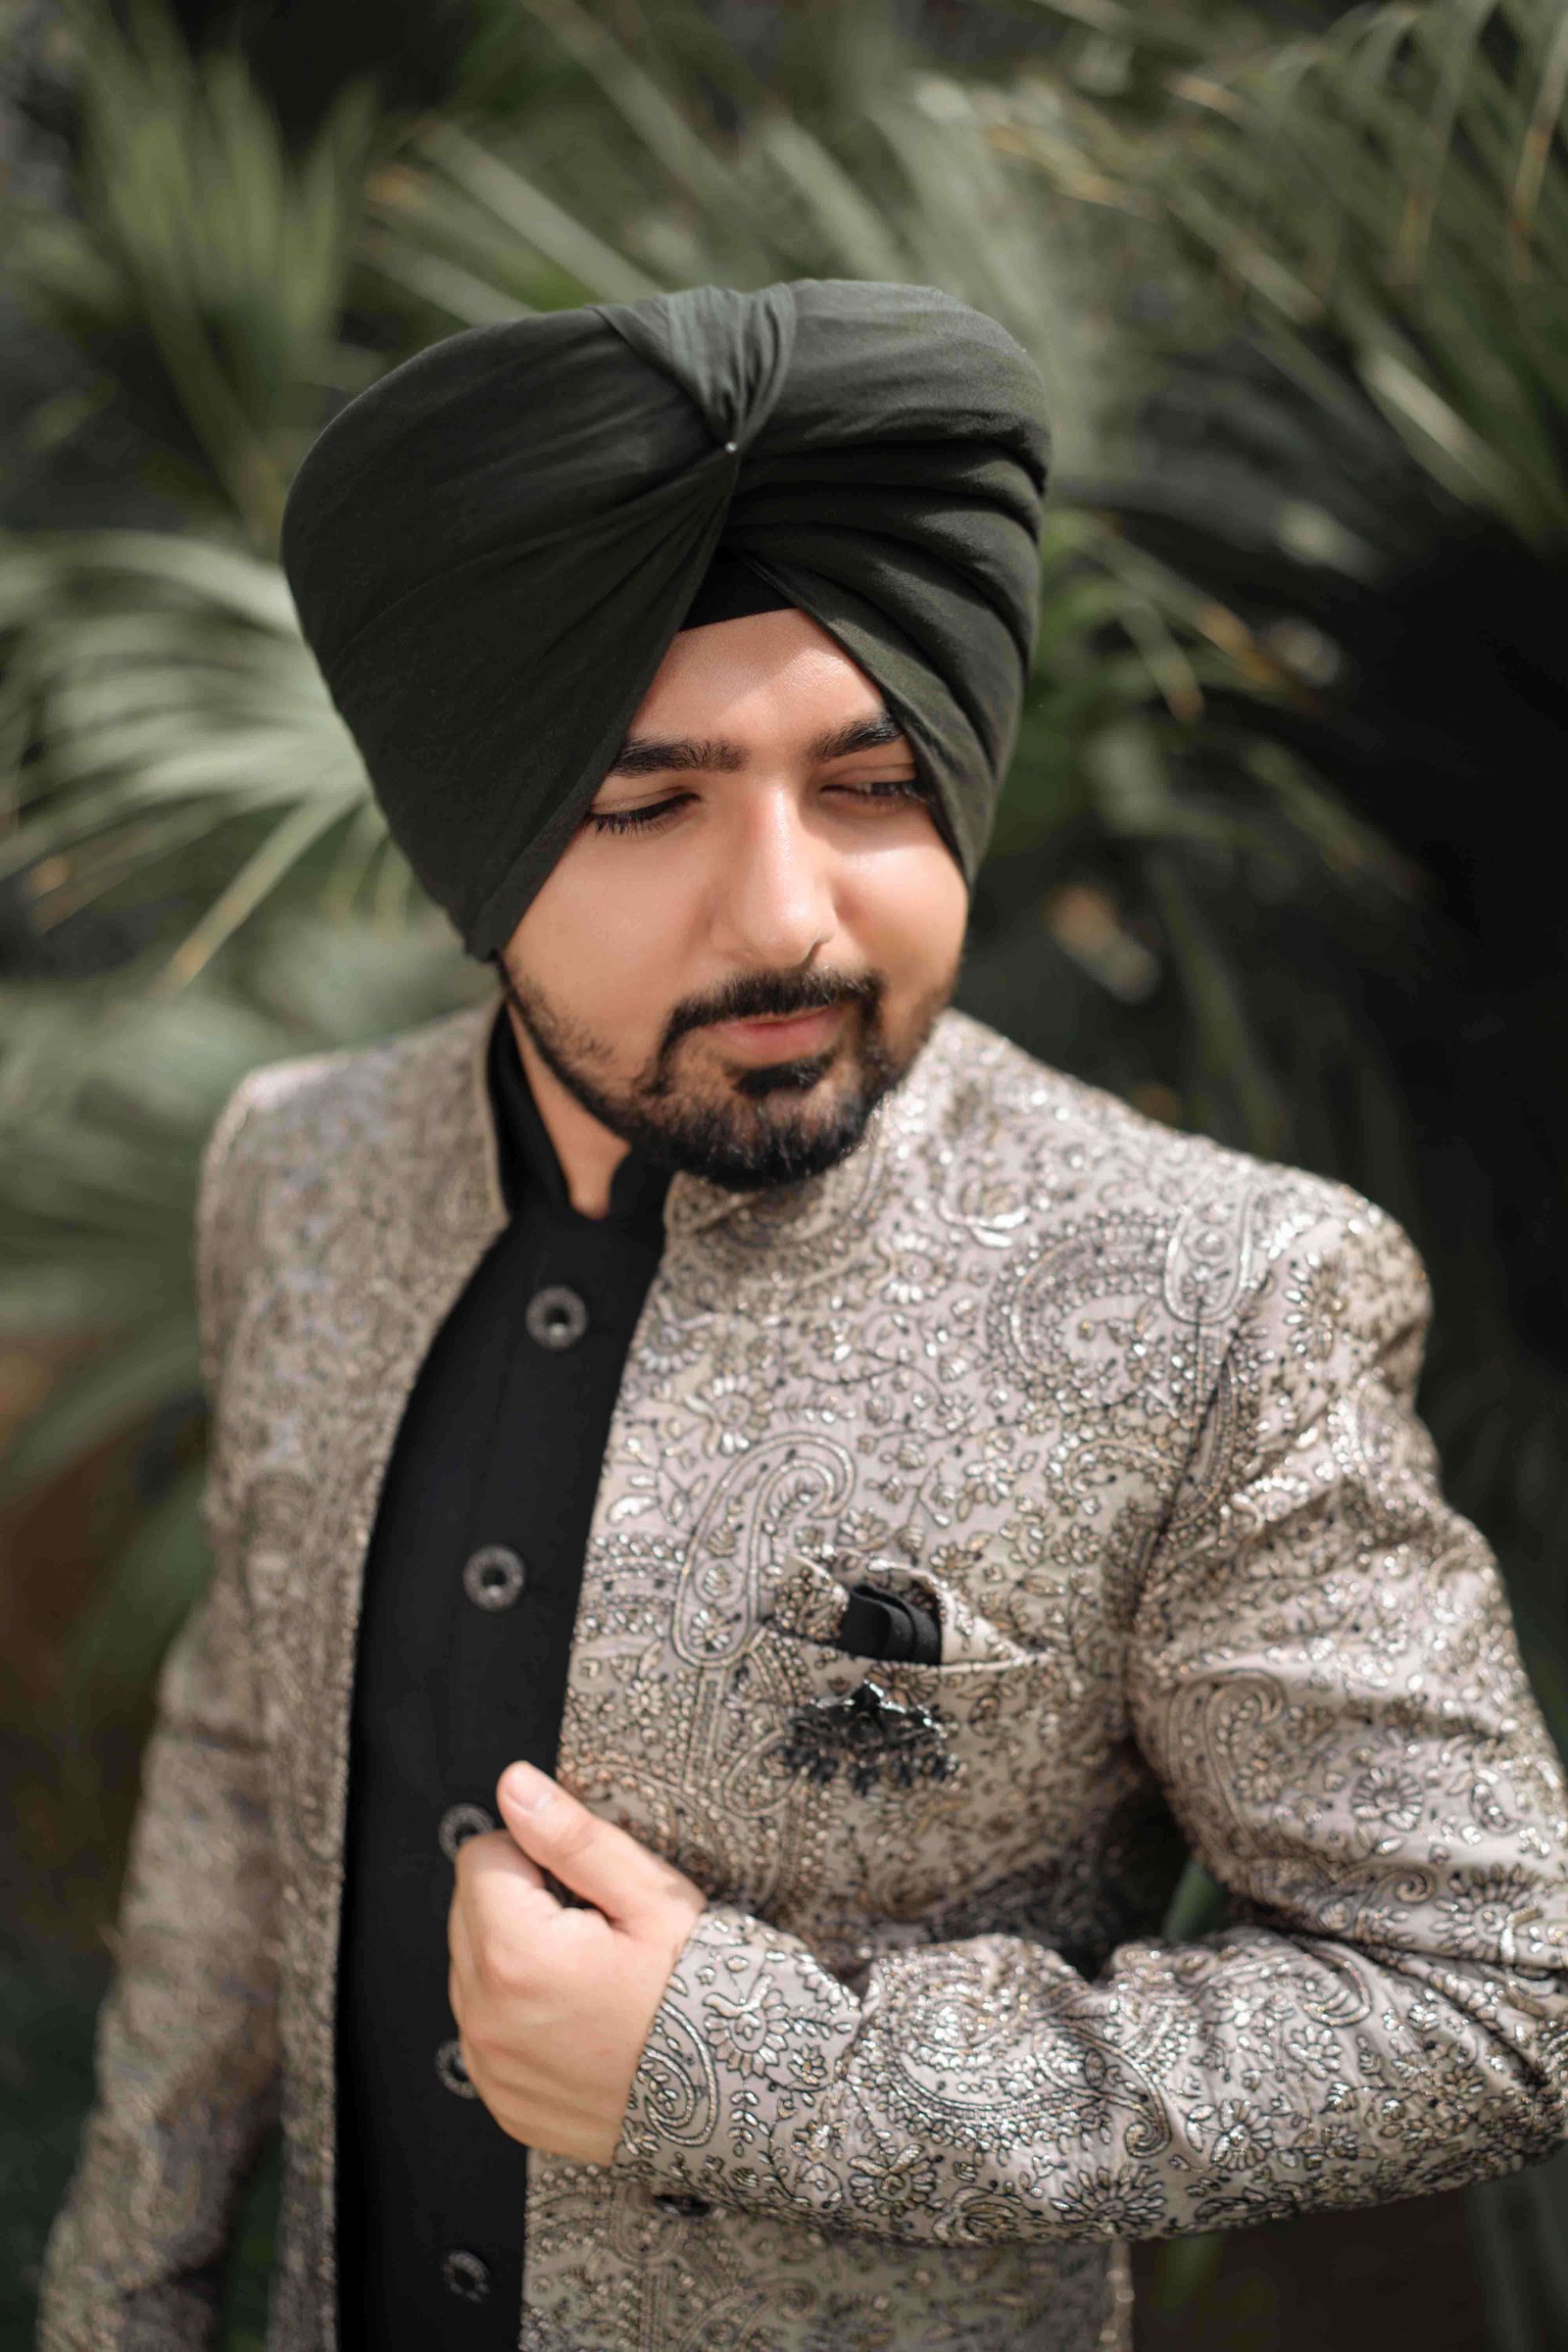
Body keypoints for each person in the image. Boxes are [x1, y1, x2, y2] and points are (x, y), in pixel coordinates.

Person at [39, 279, 1568, 2352]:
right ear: (474, 840)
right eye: (641, 804)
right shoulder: (290, 1171)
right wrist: (119, 2298)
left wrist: (757, 2076)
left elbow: (1488, 1990)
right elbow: (248, 1761)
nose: (783, 914)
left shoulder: (1213, 1298)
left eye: (871, 783)